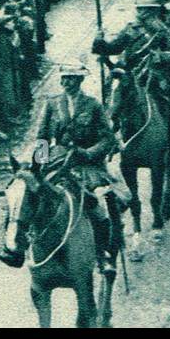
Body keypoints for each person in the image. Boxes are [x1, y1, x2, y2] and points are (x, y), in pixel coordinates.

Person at [35, 63, 122, 274]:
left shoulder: (93, 105)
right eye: (64, 78)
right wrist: (42, 163)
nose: (66, 83)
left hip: (87, 165)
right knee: (33, 196)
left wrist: (89, 153)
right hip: (58, 161)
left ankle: (103, 254)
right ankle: (26, 244)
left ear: (80, 80)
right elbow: (43, 136)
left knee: (99, 205)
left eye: (71, 78)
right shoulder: (53, 103)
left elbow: (107, 139)